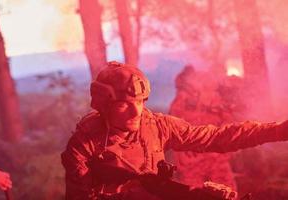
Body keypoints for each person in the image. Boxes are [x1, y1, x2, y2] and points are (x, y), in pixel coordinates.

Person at [61, 61, 288, 200]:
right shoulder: (84, 145)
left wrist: (277, 131)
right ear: (105, 105)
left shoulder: (158, 127)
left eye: (140, 102)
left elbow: (217, 138)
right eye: (124, 104)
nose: (136, 112)